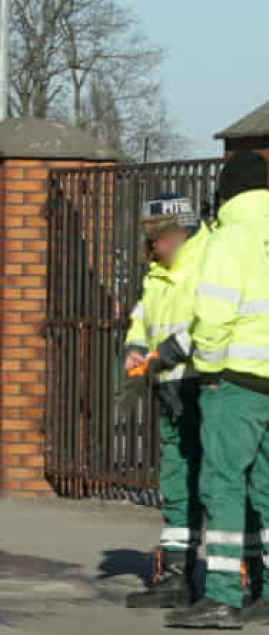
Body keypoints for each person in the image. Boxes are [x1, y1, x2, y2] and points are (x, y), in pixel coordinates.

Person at [167, 151, 269, 629]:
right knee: (267, 491)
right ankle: (265, 593)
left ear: (227, 192)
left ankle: (224, 597)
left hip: (237, 380)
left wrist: (207, 369)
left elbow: (214, 316)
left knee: (223, 484)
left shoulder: (230, 239)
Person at [122, 206, 209, 609]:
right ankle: (177, 574)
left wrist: (167, 355)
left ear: (181, 232)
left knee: (219, 484)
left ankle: (243, 574)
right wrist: (136, 348)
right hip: (169, 386)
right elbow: (142, 317)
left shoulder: (207, 263)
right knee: (176, 482)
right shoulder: (157, 274)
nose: (153, 245)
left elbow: (211, 321)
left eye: (159, 236)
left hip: (202, 383)